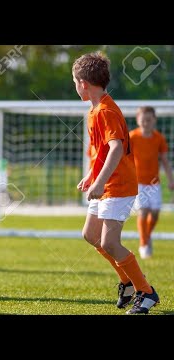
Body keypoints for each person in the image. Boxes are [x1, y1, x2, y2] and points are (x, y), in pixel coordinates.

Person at [73, 52, 159, 314]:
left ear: (84, 83)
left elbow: (116, 149)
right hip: (106, 184)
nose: (75, 87)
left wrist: (99, 182)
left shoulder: (107, 110)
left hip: (119, 185)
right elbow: (101, 152)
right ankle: (127, 282)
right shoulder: (94, 110)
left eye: (75, 82)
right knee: (91, 235)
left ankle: (146, 291)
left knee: (110, 242)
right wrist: (91, 176)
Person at [130, 106, 174, 259]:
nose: (146, 123)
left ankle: (147, 236)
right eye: (143, 120)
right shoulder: (132, 137)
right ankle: (143, 244)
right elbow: (124, 157)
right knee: (143, 211)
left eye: (149, 120)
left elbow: (165, 161)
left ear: (154, 120)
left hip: (154, 183)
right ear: (138, 120)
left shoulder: (159, 138)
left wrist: (170, 180)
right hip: (137, 182)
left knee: (154, 213)